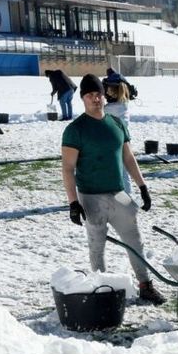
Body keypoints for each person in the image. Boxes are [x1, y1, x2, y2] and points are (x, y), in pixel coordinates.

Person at [61, 74, 164, 306]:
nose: (95, 98)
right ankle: (102, 289)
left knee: (135, 240)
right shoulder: (75, 130)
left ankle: (145, 286)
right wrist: (73, 203)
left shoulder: (116, 124)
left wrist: (142, 186)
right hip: (90, 197)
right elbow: (68, 169)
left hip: (119, 193)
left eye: (98, 94)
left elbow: (128, 157)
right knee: (97, 245)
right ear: (83, 99)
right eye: (89, 95)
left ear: (104, 96)